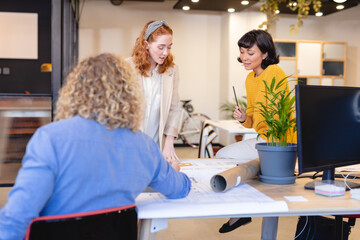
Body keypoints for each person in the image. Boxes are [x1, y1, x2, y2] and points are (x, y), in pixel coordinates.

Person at [0, 53, 191, 240]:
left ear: (76, 91)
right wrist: (174, 171)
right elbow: (179, 188)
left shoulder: (50, 139)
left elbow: (16, 219)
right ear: (129, 94)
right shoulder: (144, 145)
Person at [216, 30, 295, 239]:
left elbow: (277, 118)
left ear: (265, 54)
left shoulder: (274, 72)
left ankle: (241, 212)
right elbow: (253, 119)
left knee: (223, 156)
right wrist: (244, 117)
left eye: (250, 53)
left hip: (277, 141)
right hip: (262, 138)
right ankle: (241, 212)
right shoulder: (250, 79)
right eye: (242, 52)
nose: (244, 57)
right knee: (227, 158)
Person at [127, 20, 181, 165]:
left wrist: (169, 142)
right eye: (161, 47)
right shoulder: (126, 67)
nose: (166, 53)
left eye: (169, 47)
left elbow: (174, 108)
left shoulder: (171, 70)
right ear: (146, 45)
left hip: (155, 146)